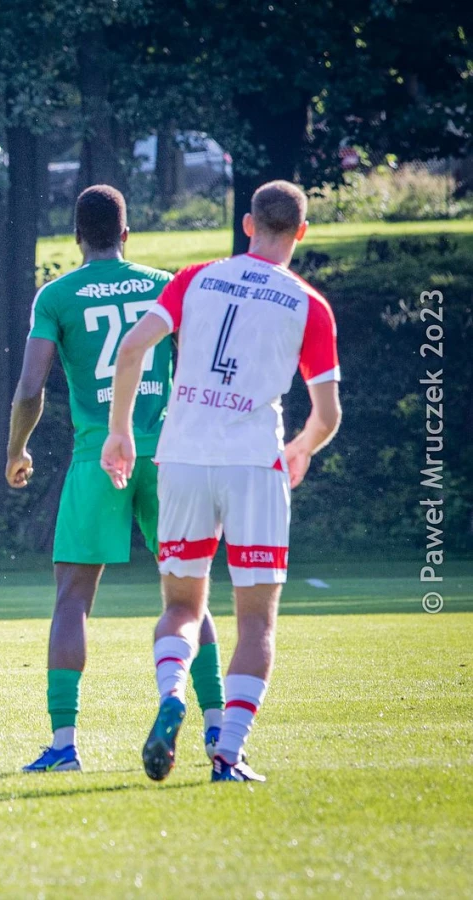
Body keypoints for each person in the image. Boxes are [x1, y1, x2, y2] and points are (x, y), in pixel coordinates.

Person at [101, 180, 342, 783]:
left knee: (182, 605)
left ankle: (172, 695)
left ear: (247, 224)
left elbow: (132, 349)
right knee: (255, 621)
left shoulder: (195, 278)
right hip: (254, 464)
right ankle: (228, 755)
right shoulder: (308, 304)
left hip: (182, 457)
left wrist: (120, 431)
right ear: (301, 232)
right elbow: (328, 413)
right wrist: (302, 448)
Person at [7, 185, 226, 773]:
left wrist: (16, 450)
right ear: (126, 234)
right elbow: (201, 370)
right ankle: (217, 733)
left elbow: (31, 388)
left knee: (72, 599)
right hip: (168, 458)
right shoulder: (165, 286)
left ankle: (64, 746)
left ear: (77, 236)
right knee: (188, 597)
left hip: (97, 456)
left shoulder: (57, 296)